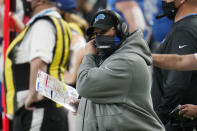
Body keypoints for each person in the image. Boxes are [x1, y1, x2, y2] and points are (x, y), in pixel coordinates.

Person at [75, 9, 165, 131]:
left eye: (103, 32)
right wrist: (85, 106)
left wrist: (89, 56)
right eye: (96, 34)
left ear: (121, 30)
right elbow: (113, 99)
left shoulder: (128, 61)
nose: (99, 38)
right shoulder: (111, 57)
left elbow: (85, 84)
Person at [3, 0, 72, 130]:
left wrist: (33, 95)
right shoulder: (56, 22)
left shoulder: (42, 25)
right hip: (51, 107)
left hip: (37, 109)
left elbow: (39, 60)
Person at [151, 0, 197, 130]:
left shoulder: (184, 30)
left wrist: (159, 119)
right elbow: (181, 61)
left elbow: (176, 85)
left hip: (179, 124)